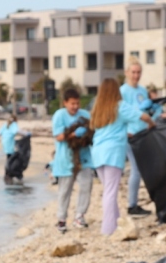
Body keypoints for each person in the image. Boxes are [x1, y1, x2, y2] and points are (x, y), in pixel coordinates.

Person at [91, 78, 151, 235]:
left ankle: (116, 223)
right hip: (112, 153)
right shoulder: (120, 106)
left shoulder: (98, 108)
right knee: (110, 192)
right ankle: (108, 229)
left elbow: (107, 129)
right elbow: (142, 116)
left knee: (108, 190)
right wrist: (152, 124)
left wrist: (125, 133)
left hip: (97, 153)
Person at [51, 88, 93, 233]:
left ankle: (79, 216)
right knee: (65, 190)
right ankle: (61, 220)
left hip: (84, 157)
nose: (75, 107)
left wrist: (86, 134)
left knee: (86, 186)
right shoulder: (59, 115)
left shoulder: (85, 115)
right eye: (72, 104)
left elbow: (92, 131)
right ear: (65, 103)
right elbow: (58, 137)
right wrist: (74, 134)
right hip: (66, 158)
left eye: (77, 103)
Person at [119, 61, 157, 216]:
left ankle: (140, 202)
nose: (136, 75)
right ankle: (131, 205)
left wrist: (151, 109)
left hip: (144, 132)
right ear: (127, 72)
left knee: (145, 168)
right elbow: (121, 112)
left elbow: (146, 109)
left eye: (138, 72)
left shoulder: (142, 90)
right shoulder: (123, 91)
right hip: (131, 134)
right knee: (136, 169)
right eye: (133, 72)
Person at [0, 115, 19, 184]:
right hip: (10, 144)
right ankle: (9, 174)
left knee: (8, 158)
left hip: (4, 143)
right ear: (15, 120)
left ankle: (6, 174)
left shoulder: (5, 124)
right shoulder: (14, 124)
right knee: (11, 159)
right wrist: (27, 134)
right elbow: (15, 131)